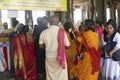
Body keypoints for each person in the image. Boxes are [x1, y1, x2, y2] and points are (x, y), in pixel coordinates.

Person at [39, 15, 70, 80]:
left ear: (49, 22)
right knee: (61, 74)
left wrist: (48, 45)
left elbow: (40, 46)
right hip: (60, 56)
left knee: (50, 73)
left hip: (49, 56)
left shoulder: (44, 32)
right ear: (58, 22)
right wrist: (61, 46)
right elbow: (67, 46)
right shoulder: (62, 32)